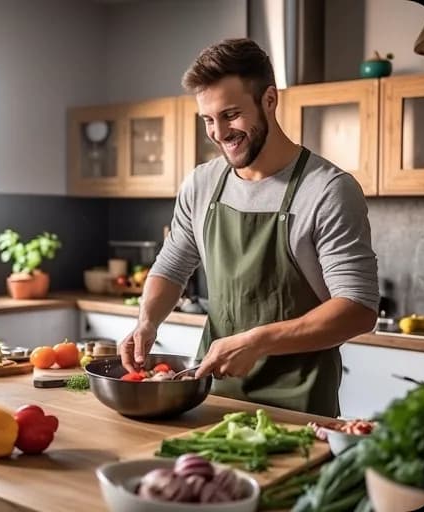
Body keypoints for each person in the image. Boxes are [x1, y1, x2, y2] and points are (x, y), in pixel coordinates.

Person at [120, 38, 378, 417]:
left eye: (231, 114)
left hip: (298, 409)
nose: (219, 133)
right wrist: (146, 322)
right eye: (208, 119)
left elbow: (358, 309)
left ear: (269, 100)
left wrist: (258, 341)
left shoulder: (327, 190)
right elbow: (172, 266)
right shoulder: (201, 184)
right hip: (210, 398)